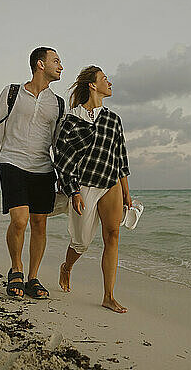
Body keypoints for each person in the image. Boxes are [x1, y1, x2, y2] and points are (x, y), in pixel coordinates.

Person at [0, 47, 64, 300]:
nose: (61, 66)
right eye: (56, 61)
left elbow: (59, 143)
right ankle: (16, 269)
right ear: (40, 64)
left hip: (43, 168)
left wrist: (65, 178)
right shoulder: (13, 92)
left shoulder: (58, 103)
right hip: (12, 161)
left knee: (39, 223)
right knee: (20, 220)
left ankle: (33, 277)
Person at [54, 65, 131, 313]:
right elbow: (63, 158)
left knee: (113, 236)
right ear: (92, 85)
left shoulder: (113, 119)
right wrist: (73, 191)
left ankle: (108, 296)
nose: (110, 83)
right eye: (105, 79)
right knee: (82, 242)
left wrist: (127, 193)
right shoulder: (71, 119)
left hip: (110, 183)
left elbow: (120, 159)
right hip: (84, 184)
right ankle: (67, 267)